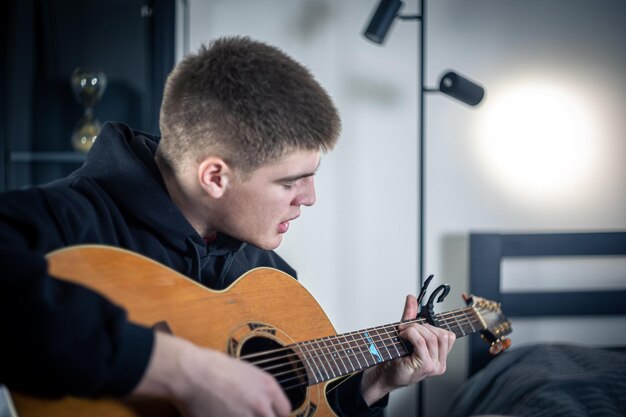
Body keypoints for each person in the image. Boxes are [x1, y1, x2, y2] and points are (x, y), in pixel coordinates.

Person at [0, 36, 455, 417]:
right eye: (290, 182)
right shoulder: (68, 218)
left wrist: (372, 385)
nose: (310, 198)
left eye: (312, 176)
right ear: (215, 176)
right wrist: (180, 368)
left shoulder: (270, 278)